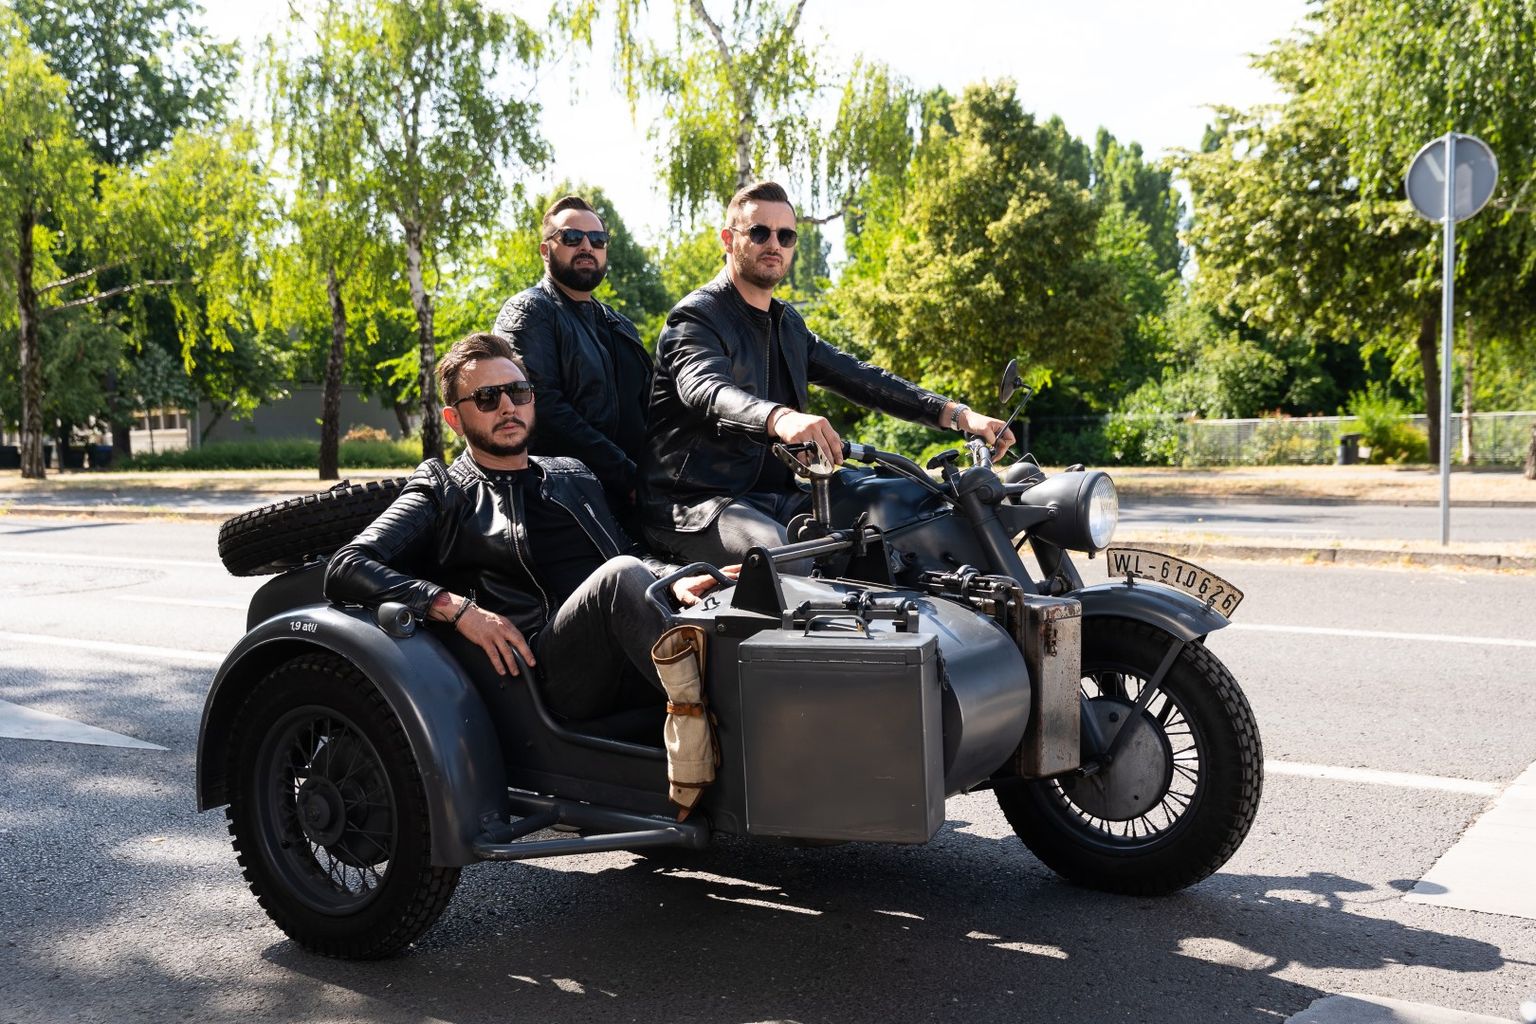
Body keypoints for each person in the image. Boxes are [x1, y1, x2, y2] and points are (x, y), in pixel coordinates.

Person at [325, 332, 725, 722]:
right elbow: (347, 565)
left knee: (732, 590)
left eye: (518, 392)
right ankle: (719, 722)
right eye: (486, 397)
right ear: (454, 419)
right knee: (619, 576)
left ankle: (730, 715)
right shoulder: (445, 490)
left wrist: (675, 580)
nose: (507, 407)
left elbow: (627, 553)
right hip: (541, 672)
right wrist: (458, 610)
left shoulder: (572, 474)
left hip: (624, 645)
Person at [639, 180, 1015, 568]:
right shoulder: (696, 317)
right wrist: (780, 418)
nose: (774, 244)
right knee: (791, 558)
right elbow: (706, 389)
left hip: (775, 497)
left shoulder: (787, 324)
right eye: (759, 232)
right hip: (693, 504)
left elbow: (862, 378)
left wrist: (957, 414)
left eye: (786, 236)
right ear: (728, 239)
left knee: (903, 509)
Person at [493, 195, 653, 519]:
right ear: (545, 250)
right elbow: (543, 408)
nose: (586, 246)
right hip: (563, 502)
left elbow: (651, 410)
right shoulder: (529, 311)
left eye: (597, 239)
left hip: (636, 496)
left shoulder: (620, 325)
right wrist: (626, 475)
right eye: (571, 237)